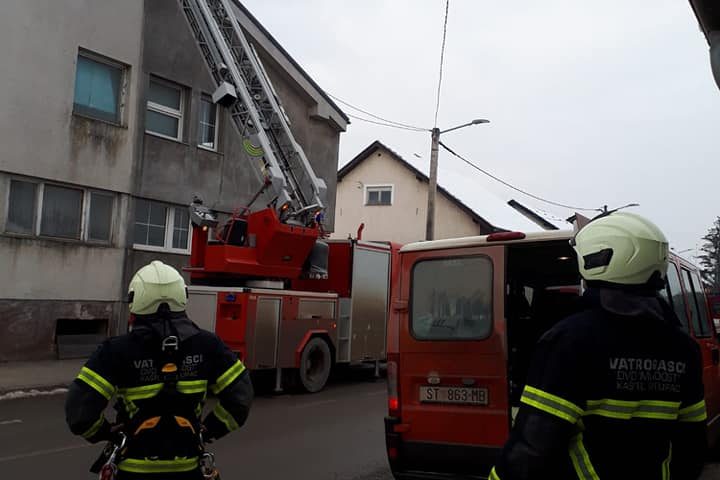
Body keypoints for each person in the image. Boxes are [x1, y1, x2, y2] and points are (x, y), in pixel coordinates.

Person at [490, 212, 707, 480]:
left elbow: (533, 446)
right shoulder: (684, 348)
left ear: (596, 259)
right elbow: (692, 446)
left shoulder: (569, 341)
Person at [65, 260, 253, 479]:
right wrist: (208, 430)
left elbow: (79, 412)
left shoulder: (115, 351)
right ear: (182, 297)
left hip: (133, 470)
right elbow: (240, 398)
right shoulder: (209, 346)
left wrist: (106, 433)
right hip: (188, 469)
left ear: (135, 300)